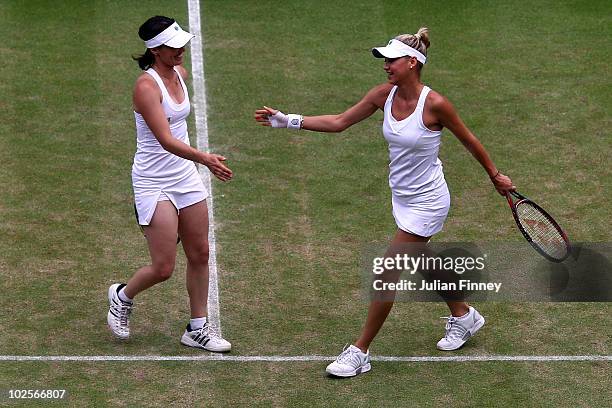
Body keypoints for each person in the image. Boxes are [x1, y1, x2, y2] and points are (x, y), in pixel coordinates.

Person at [254, 27, 515, 376]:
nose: (386, 65)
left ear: (412, 62)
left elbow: (469, 140)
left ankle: (359, 351)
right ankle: (465, 315)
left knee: (386, 273)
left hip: (429, 201)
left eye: (392, 60)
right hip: (403, 197)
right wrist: (289, 121)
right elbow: (339, 122)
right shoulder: (383, 95)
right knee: (422, 259)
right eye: (385, 60)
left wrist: (495, 175)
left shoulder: (435, 104)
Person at [107, 16, 233, 352]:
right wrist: (204, 158)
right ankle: (122, 296)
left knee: (200, 253)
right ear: (155, 49)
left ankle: (197, 328)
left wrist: (195, 163)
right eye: (173, 46)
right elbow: (164, 139)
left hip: (184, 177)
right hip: (153, 181)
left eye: (181, 44)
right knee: (163, 267)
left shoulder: (179, 73)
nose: (181, 51)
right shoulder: (146, 87)